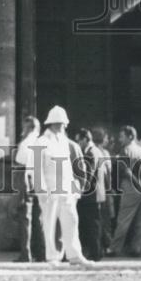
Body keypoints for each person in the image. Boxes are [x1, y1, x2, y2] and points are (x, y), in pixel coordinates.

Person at [34, 106, 93, 267]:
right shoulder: (41, 142)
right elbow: (36, 168)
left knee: (72, 220)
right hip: (50, 189)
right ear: (53, 123)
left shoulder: (65, 143)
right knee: (50, 223)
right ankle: (52, 256)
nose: (64, 126)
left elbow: (69, 168)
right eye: (61, 123)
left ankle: (74, 254)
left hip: (66, 188)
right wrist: (41, 189)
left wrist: (74, 190)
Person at [107, 125, 141, 258]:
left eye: (122, 136)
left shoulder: (126, 150)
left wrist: (135, 182)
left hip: (132, 185)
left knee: (123, 219)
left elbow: (126, 171)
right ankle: (136, 248)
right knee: (140, 221)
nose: (120, 139)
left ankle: (114, 248)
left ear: (130, 136)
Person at [15, 115, 45, 262]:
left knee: (25, 218)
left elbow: (20, 162)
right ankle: (41, 252)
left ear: (30, 128)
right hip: (41, 183)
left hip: (27, 182)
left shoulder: (26, 143)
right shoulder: (42, 141)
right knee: (39, 218)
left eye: (25, 127)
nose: (23, 130)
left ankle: (26, 253)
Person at [75, 128, 104, 261]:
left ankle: (95, 252)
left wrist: (81, 188)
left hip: (91, 194)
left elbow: (89, 174)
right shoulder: (94, 151)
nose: (78, 143)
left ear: (86, 139)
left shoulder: (91, 152)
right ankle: (96, 251)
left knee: (93, 224)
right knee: (93, 224)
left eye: (79, 140)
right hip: (93, 193)